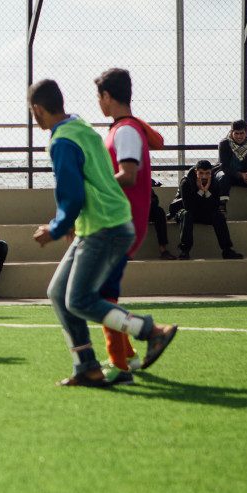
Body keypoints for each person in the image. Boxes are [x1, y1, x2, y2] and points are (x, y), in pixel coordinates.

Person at [27, 79, 177, 387]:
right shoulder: (80, 127)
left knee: (80, 299)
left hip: (105, 226)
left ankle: (151, 331)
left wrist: (55, 228)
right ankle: (87, 367)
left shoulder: (63, 142)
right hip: (103, 224)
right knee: (59, 293)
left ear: (37, 110)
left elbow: (72, 195)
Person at [92, 67, 166, 385]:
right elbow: (157, 141)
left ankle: (120, 363)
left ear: (108, 97)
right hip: (120, 223)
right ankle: (129, 355)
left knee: (99, 296)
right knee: (103, 293)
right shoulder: (126, 128)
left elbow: (129, 174)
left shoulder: (124, 131)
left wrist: (93, 187)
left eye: (99, 96)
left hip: (120, 224)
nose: (98, 102)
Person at [175, 160, 244, 261]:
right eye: (201, 173)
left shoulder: (214, 182)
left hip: (203, 211)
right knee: (187, 214)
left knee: (219, 215)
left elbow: (215, 205)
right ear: (196, 172)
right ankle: (184, 251)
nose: (204, 176)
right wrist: (200, 191)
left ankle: (227, 250)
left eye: (207, 173)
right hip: (183, 212)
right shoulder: (186, 182)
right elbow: (188, 207)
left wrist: (206, 192)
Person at [149, 182, 177, 260]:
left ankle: (163, 250)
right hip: (130, 212)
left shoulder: (143, 182)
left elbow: (155, 200)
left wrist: (149, 201)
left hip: (144, 210)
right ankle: (126, 253)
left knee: (159, 211)